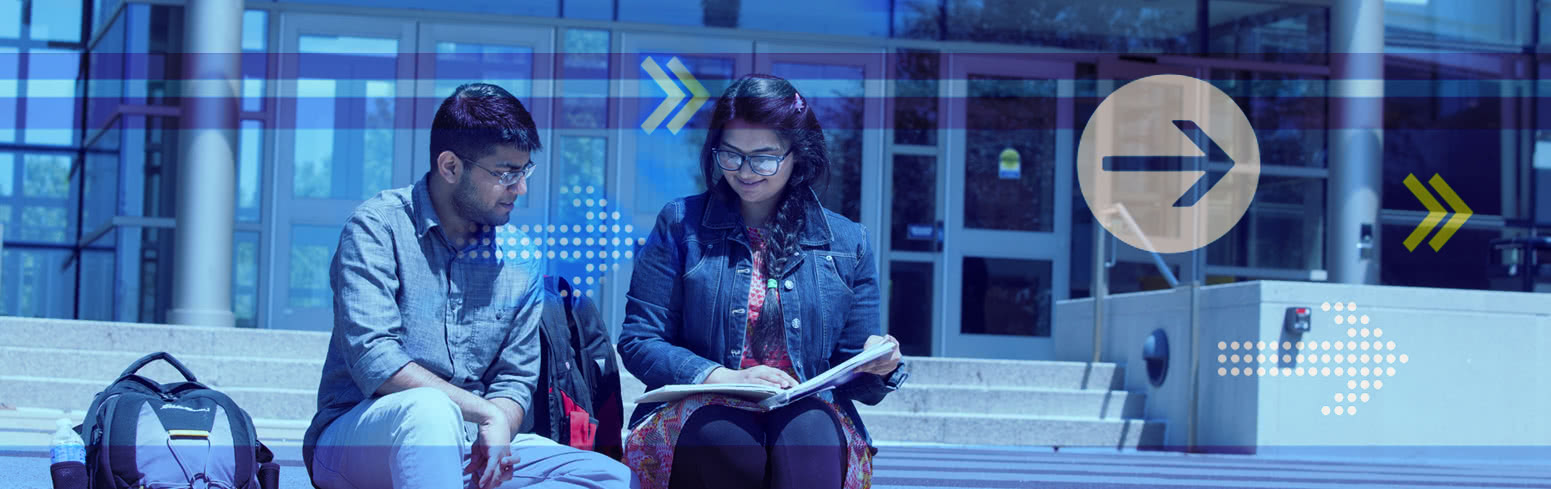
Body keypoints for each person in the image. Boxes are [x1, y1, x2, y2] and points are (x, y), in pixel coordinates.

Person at [303, 83, 633, 489]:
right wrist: (485, 412)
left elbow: (515, 376)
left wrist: (498, 425)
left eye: (525, 170)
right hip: (363, 434)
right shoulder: (377, 228)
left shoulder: (520, 256)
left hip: (468, 438)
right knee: (428, 411)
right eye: (506, 173)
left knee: (610, 477)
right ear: (450, 167)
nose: (521, 188)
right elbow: (375, 359)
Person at [617, 74, 909, 489]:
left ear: (798, 156)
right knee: (726, 438)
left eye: (764, 157)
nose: (745, 171)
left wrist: (879, 365)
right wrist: (722, 377)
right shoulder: (680, 224)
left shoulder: (848, 243)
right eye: (731, 155)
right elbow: (640, 340)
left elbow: (858, 376)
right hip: (702, 409)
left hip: (808, 413)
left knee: (808, 433)